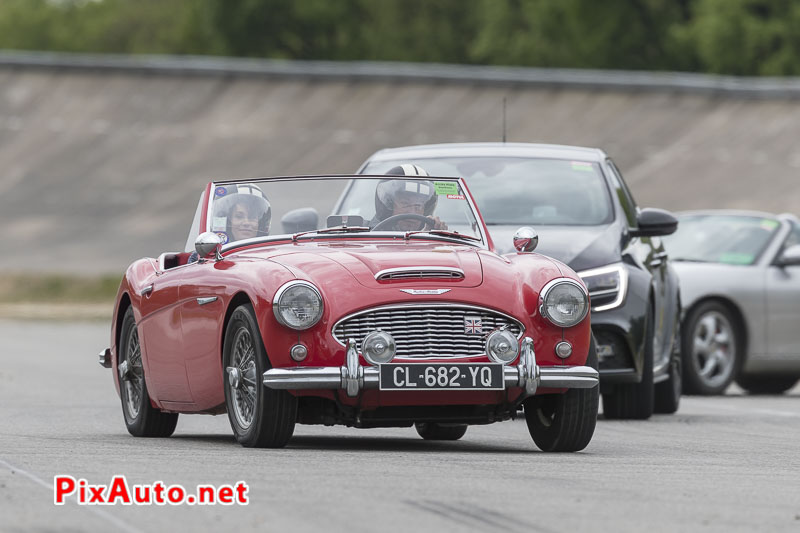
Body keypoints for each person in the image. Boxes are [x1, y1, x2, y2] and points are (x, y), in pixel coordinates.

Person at [188, 184, 271, 263]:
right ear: (227, 220)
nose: (246, 223)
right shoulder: (203, 256)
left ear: (260, 223)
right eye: (239, 216)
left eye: (252, 217)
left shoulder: (271, 254)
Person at [372, 165, 447, 231]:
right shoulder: (363, 235)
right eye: (405, 203)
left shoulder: (432, 241)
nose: (412, 212)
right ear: (389, 207)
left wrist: (429, 236)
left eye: (418, 206)